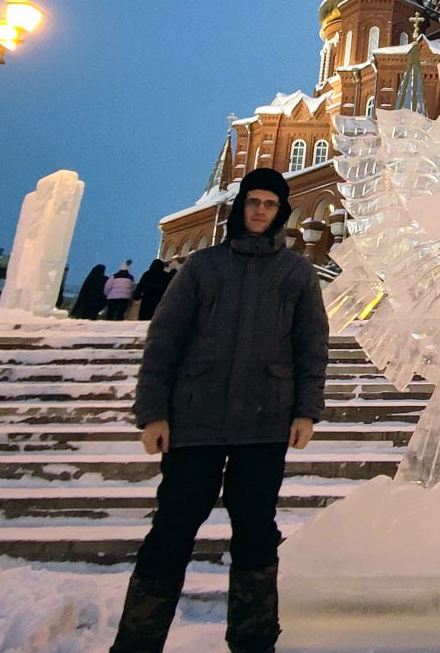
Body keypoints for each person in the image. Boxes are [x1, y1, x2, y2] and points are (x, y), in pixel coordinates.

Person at [109, 168, 330, 653]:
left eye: (270, 204)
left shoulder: (296, 273)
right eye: (253, 201)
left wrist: (306, 410)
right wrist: (153, 412)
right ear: (239, 207)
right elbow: (164, 341)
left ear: (281, 212)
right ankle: (137, 643)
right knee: (172, 529)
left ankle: (254, 642)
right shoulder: (204, 267)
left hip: (264, 423)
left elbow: (312, 345)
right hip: (196, 421)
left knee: (256, 533)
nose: (260, 211)